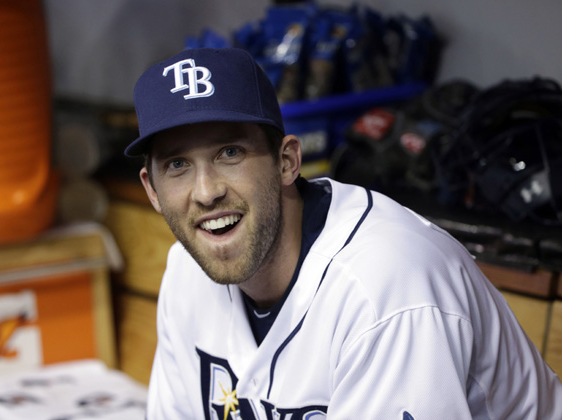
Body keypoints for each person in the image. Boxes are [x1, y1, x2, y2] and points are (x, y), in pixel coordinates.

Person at [124, 47, 562, 420]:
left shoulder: (387, 288)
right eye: (177, 165)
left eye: (230, 152)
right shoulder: (186, 272)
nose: (206, 192)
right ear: (153, 189)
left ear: (287, 162)